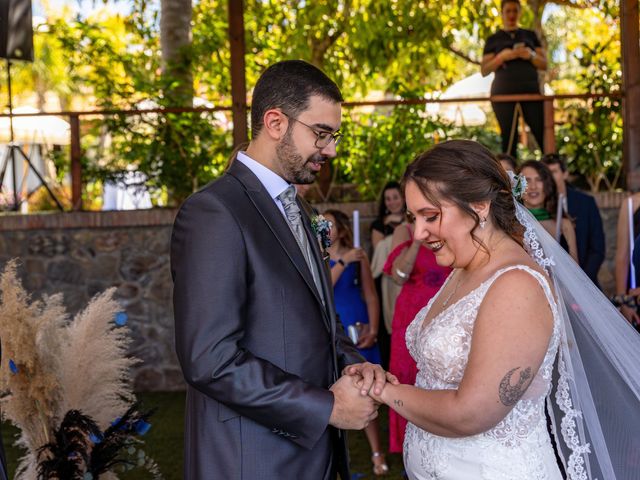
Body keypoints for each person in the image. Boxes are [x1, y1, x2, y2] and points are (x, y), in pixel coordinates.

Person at [362, 139, 640, 480]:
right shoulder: (463, 267)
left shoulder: (516, 286)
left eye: (430, 216)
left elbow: (473, 412)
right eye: (413, 217)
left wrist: (383, 391)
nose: (418, 233)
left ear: (479, 206)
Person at [171, 60, 385, 480]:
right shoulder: (215, 211)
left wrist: (352, 362)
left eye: (333, 135)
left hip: (312, 456)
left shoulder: (298, 208)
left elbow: (318, 318)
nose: (331, 149)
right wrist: (327, 407)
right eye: (321, 134)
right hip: (253, 458)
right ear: (274, 122)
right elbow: (209, 358)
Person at [324, 209, 389, 476]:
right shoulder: (317, 256)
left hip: (357, 323)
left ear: (341, 227)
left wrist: (373, 328)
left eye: (330, 223)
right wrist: (341, 261)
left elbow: (370, 294)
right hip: (331, 328)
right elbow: (323, 288)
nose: (326, 228)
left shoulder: (358, 255)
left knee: (365, 390)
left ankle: (377, 453)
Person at [382, 219, 451, 454]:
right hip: (410, 317)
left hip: (446, 313)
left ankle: (442, 439)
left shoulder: (450, 227)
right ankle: (408, 447)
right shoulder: (405, 230)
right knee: (406, 377)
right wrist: (416, 242)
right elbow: (399, 275)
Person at [481, 0, 547, 158]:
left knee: (540, 132)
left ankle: (548, 173)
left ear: (520, 12)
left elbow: (544, 64)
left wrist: (530, 55)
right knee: (508, 137)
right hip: (503, 94)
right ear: (502, 13)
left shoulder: (530, 35)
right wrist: (502, 57)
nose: (511, 15)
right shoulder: (493, 39)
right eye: (508, 11)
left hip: (530, 91)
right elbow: (484, 70)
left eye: (515, 11)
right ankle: (509, 178)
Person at [542, 153, 605, 288]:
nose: (551, 177)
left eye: (554, 172)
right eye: (546, 173)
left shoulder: (586, 203)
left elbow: (597, 249)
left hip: (585, 283)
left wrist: (581, 282)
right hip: (551, 285)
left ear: (565, 174)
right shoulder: (540, 206)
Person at [369, 181, 405, 369]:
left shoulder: (412, 222)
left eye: (395, 198)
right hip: (387, 281)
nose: (392, 202)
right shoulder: (378, 225)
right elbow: (380, 253)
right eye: (388, 199)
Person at [519, 159, 578, 261]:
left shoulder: (564, 225)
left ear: (547, 184)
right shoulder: (510, 223)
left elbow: (575, 268)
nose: (533, 186)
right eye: (527, 180)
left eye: (539, 180)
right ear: (518, 186)